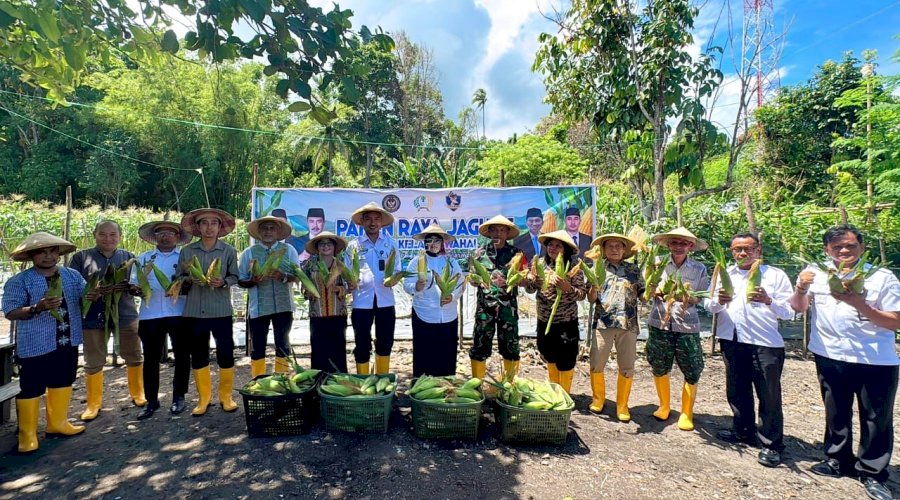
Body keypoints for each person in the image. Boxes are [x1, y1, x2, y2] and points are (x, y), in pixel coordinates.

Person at [791, 225, 900, 500]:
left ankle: (872, 472)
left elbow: (895, 321)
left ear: (861, 247)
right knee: (836, 411)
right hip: (829, 354)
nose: (844, 250)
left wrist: (858, 303)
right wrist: (801, 288)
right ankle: (837, 459)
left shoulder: (881, 277)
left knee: (876, 417)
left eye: (850, 245)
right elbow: (798, 307)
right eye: (837, 246)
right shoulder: (816, 272)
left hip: (875, 358)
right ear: (827, 249)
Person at [705, 232, 794, 467]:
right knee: (737, 389)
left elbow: (790, 312)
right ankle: (743, 431)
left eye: (748, 248)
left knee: (769, 394)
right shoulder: (724, 273)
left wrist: (768, 300)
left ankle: (771, 444)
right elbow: (709, 305)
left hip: (765, 343)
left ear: (758, 250)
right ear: (732, 251)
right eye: (737, 249)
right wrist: (719, 301)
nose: (743, 253)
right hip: (732, 339)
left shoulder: (775, 275)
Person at [3, 233, 92, 452]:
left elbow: (85, 296)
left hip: (67, 340)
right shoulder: (20, 281)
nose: (48, 256)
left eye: (52, 251)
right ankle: (27, 435)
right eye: (42, 252)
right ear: (31, 255)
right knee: (31, 387)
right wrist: (37, 307)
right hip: (35, 344)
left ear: (59, 253)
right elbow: (11, 312)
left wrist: (95, 293)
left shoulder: (72, 275)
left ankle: (57, 424)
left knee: (63, 380)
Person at [68, 220, 145, 421]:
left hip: (125, 314)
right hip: (93, 316)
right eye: (102, 234)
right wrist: (90, 293)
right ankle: (93, 403)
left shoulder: (129, 258)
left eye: (113, 235)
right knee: (93, 359)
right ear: (94, 234)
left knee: (134, 354)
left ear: (120, 236)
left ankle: (138, 394)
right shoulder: (80, 258)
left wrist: (130, 287)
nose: (108, 239)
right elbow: (71, 288)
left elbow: (138, 286)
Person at [646, 226, 709, 431]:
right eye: (674, 242)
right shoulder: (657, 263)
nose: (679, 246)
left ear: (690, 246)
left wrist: (684, 296)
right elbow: (647, 289)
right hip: (659, 323)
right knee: (658, 363)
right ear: (668, 244)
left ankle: (686, 412)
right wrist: (653, 291)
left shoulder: (699, 269)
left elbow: (701, 297)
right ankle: (664, 406)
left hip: (687, 325)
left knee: (692, 367)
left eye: (684, 243)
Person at [178, 208, 240, 416]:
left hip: (220, 310)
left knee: (226, 352)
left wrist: (223, 282)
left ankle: (226, 396)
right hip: (194, 311)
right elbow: (178, 279)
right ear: (198, 227)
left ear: (220, 227)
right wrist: (189, 279)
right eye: (204, 223)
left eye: (214, 223)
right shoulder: (187, 251)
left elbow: (235, 276)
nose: (209, 227)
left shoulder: (228, 251)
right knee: (198, 354)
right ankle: (204, 398)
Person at [131, 220, 192, 419]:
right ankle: (151, 400)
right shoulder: (144, 258)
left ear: (177, 237)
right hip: (150, 314)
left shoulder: (184, 258)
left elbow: (192, 282)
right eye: (161, 233)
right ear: (155, 237)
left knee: (182, 355)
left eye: (170, 233)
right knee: (151, 358)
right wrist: (137, 289)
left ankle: (179, 396)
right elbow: (133, 283)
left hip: (178, 312)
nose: (165, 237)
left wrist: (181, 286)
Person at [587, 233, 644, 422]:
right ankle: (598, 399)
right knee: (597, 362)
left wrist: (655, 285)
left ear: (624, 249)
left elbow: (644, 296)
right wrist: (593, 287)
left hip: (628, 323)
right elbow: (591, 299)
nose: (614, 249)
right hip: (603, 323)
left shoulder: (633, 270)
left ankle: (622, 405)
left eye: (618, 246)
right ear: (603, 249)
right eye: (610, 246)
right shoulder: (597, 268)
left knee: (627, 365)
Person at [523, 230, 586, 393]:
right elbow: (530, 289)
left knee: (566, 357)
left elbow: (581, 294)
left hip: (566, 321)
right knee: (548, 353)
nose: (553, 248)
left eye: (558, 246)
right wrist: (532, 283)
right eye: (550, 244)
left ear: (565, 249)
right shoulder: (539, 263)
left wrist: (568, 288)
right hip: (544, 319)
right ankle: (554, 390)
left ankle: (564, 393)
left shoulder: (573, 268)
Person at [238, 215, 300, 378]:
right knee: (258, 346)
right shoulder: (249, 253)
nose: (268, 231)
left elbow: (297, 276)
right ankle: (258, 381)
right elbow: (240, 280)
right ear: (259, 232)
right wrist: (252, 281)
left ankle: (282, 380)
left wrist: (283, 276)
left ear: (278, 231)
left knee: (283, 344)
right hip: (258, 308)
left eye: (272, 228)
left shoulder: (289, 250)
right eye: (264, 228)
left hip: (284, 306)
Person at [345, 202, 400, 375]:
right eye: (368, 219)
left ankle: (382, 378)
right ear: (361, 222)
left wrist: (394, 279)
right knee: (361, 343)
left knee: (385, 341)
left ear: (382, 222)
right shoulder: (353, 246)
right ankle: (363, 380)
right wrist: (349, 284)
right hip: (361, 301)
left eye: (376, 219)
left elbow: (397, 270)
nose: (372, 223)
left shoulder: (391, 244)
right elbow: (347, 273)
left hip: (386, 301)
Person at [403, 223, 464, 377]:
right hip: (424, 314)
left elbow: (460, 283)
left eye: (437, 240)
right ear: (424, 243)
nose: (433, 244)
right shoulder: (416, 261)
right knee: (424, 353)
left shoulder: (450, 261)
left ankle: (446, 383)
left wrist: (452, 296)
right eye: (429, 240)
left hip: (448, 314)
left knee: (446, 352)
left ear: (442, 243)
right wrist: (417, 286)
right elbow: (407, 285)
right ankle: (422, 383)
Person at [469, 215, 524, 379]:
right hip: (485, 309)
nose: (498, 234)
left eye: (501, 230)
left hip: (508, 309)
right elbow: (472, 278)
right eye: (494, 230)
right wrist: (475, 280)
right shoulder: (479, 254)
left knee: (510, 346)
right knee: (480, 345)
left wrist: (518, 279)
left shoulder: (516, 254)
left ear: (507, 233)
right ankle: (477, 385)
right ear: (489, 232)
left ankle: (509, 385)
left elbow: (525, 278)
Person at [302, 231, 352, 373]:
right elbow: (303, 285)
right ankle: (319, 378)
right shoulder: (310, 265)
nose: (325, 246)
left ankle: (339, 378)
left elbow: (351, 284)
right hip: (317, 313)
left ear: (334, 247)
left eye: (329, 243)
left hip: (338, 313)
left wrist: (340, 289)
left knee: (338, 348)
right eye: (322, 244)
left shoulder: (341, 264)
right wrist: (307, 291)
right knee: (318, 349)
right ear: (317, 247)